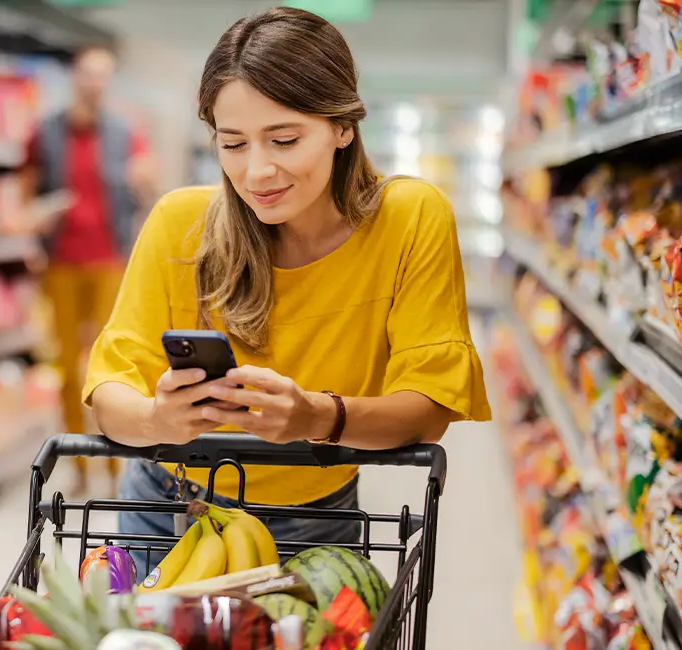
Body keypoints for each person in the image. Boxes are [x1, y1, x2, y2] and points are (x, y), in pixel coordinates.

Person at [81, 7, 492, 578]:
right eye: (234, 144)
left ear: (343, 126)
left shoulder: (410, 218)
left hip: (314, 519)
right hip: (163, 508)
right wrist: (158, 420)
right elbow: (108, 393)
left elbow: (428, 410)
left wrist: (314, 417)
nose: (257, 172)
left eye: (284, 139)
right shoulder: (180, 224)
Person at [25, 45, 155, 493]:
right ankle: (77, 465)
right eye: (87, 74)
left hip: (110, 262)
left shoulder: (125, 132)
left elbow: (144, 187)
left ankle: (117, 465)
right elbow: (26, 192)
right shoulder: (45, 132)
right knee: (64, 365)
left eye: (103, 75)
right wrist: (33, 221)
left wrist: (144, 182)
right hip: (60, 261)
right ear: (74, 77)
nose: (94, 83)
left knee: (111, 367)